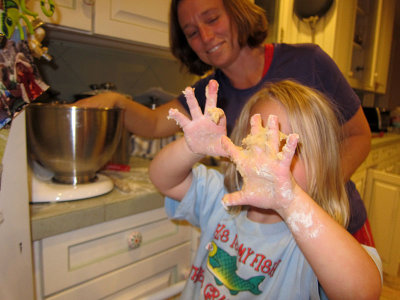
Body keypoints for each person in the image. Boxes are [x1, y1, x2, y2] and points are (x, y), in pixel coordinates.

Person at [75, 0, 372, 241]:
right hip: (268, 236)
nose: (204, 37)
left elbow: (358, 136)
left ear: (237, 11)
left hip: (337, 224)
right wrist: (116, 102)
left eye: (212, 18)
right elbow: (154, 124)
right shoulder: (210, 94)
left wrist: (303, 199)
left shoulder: (308, 62)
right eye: (191, 32)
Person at [149, 79, 381, 299]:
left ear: (323, 172)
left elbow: (362, 293)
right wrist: (195, 148)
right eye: (262, 141)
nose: (272, 159)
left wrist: (290, 201)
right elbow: (163, 179)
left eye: (289, 147)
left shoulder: (314, 244)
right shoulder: (223, 198)